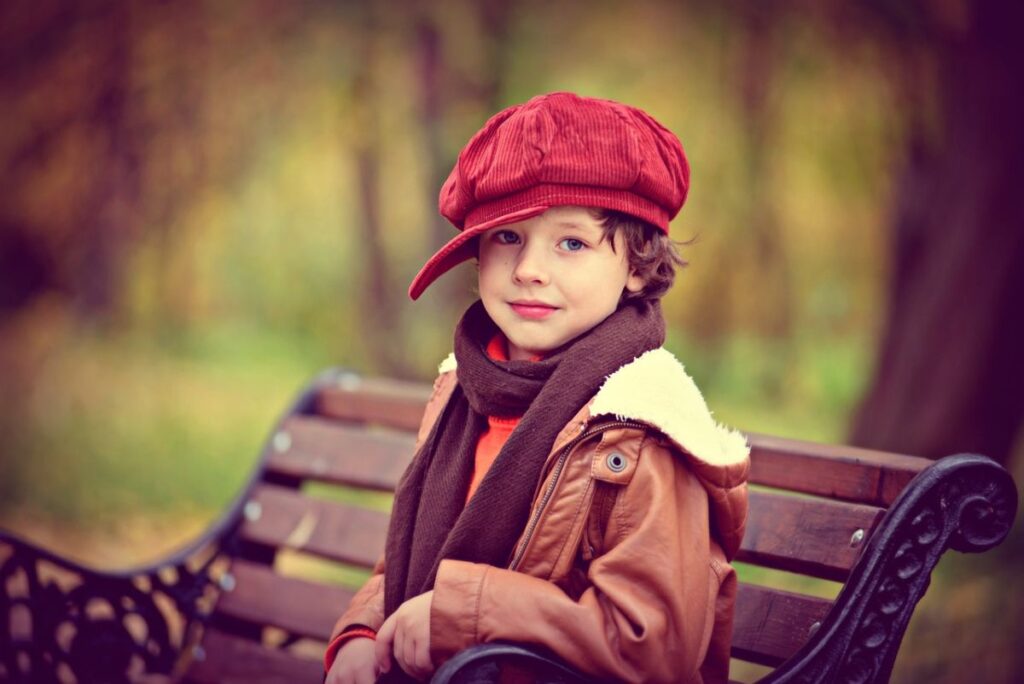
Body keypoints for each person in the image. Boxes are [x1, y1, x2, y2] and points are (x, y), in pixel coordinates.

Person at [324, 91, 750, 684]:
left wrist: (463, 615)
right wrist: (363, 632)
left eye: (571, 243)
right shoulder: (464, 391)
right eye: (508, 238)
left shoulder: (642, 430)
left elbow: (651, 650)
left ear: (635, 265)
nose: (528, 269)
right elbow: (404, 566)